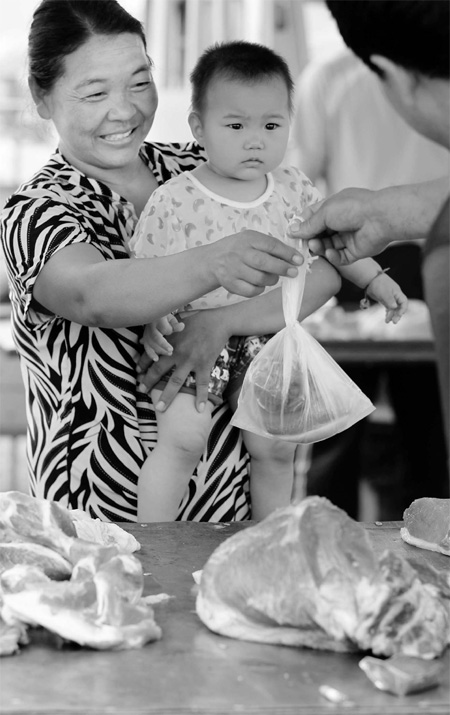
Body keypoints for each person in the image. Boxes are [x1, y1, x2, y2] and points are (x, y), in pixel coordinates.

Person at [0, 0, 341, 523]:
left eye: (140, 82)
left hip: (232, 508)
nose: (125, 110)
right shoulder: (38, 208)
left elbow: (323, 267)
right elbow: (91, 294)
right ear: (41, 98)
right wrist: (214, 263)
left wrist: (225, 320)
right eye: (95, 92)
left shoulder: (203, 165)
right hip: (100, 516)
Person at [130, 40, 407, 522]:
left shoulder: (294, 189)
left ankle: (268, 539)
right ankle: (150, 545)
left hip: (272, 342)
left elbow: (337, 247)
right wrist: (153, 321)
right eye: (235, 126)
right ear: (199, 127)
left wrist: (377, 282)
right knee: (183, 440)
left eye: (271, 125)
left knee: (276, 449)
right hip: (197, 338)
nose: (255, 140)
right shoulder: (175, 199)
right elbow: (148, 274)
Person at [287, 47, 449, 518]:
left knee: (356, 429)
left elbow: (299, 179)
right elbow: (300, 184)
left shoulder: (329, 77)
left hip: (392, 249)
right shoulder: (332, 77)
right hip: (360, 250)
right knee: (413, 431)